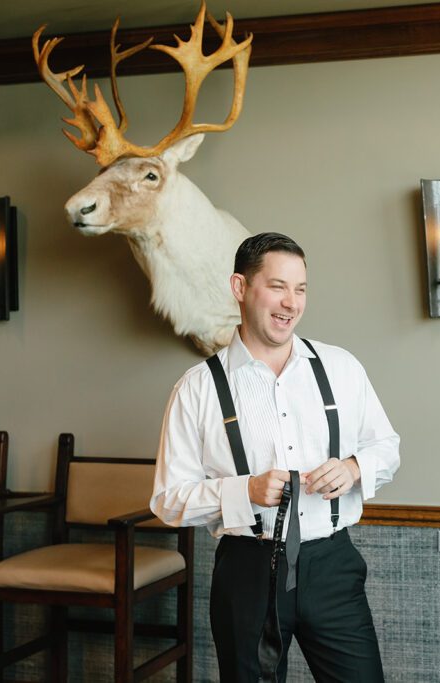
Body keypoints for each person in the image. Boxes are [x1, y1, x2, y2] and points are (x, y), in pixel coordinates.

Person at [151, 232, 400, 682]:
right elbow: (169, 500)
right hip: (247, 571)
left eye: (300, 289)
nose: (291, 302)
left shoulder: (341, 367)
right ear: (240, 287)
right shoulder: (197, 388)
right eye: (277, 286)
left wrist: (353, 468)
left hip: (332, 566)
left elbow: (387, 446)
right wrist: (244, 491)